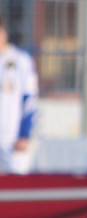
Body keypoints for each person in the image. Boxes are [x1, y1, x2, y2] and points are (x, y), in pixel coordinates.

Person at [0, 15, 37, 174]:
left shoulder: (21, 60)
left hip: (12, 142)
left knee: (14, 185)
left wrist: (24, 134)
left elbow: (29, 100)